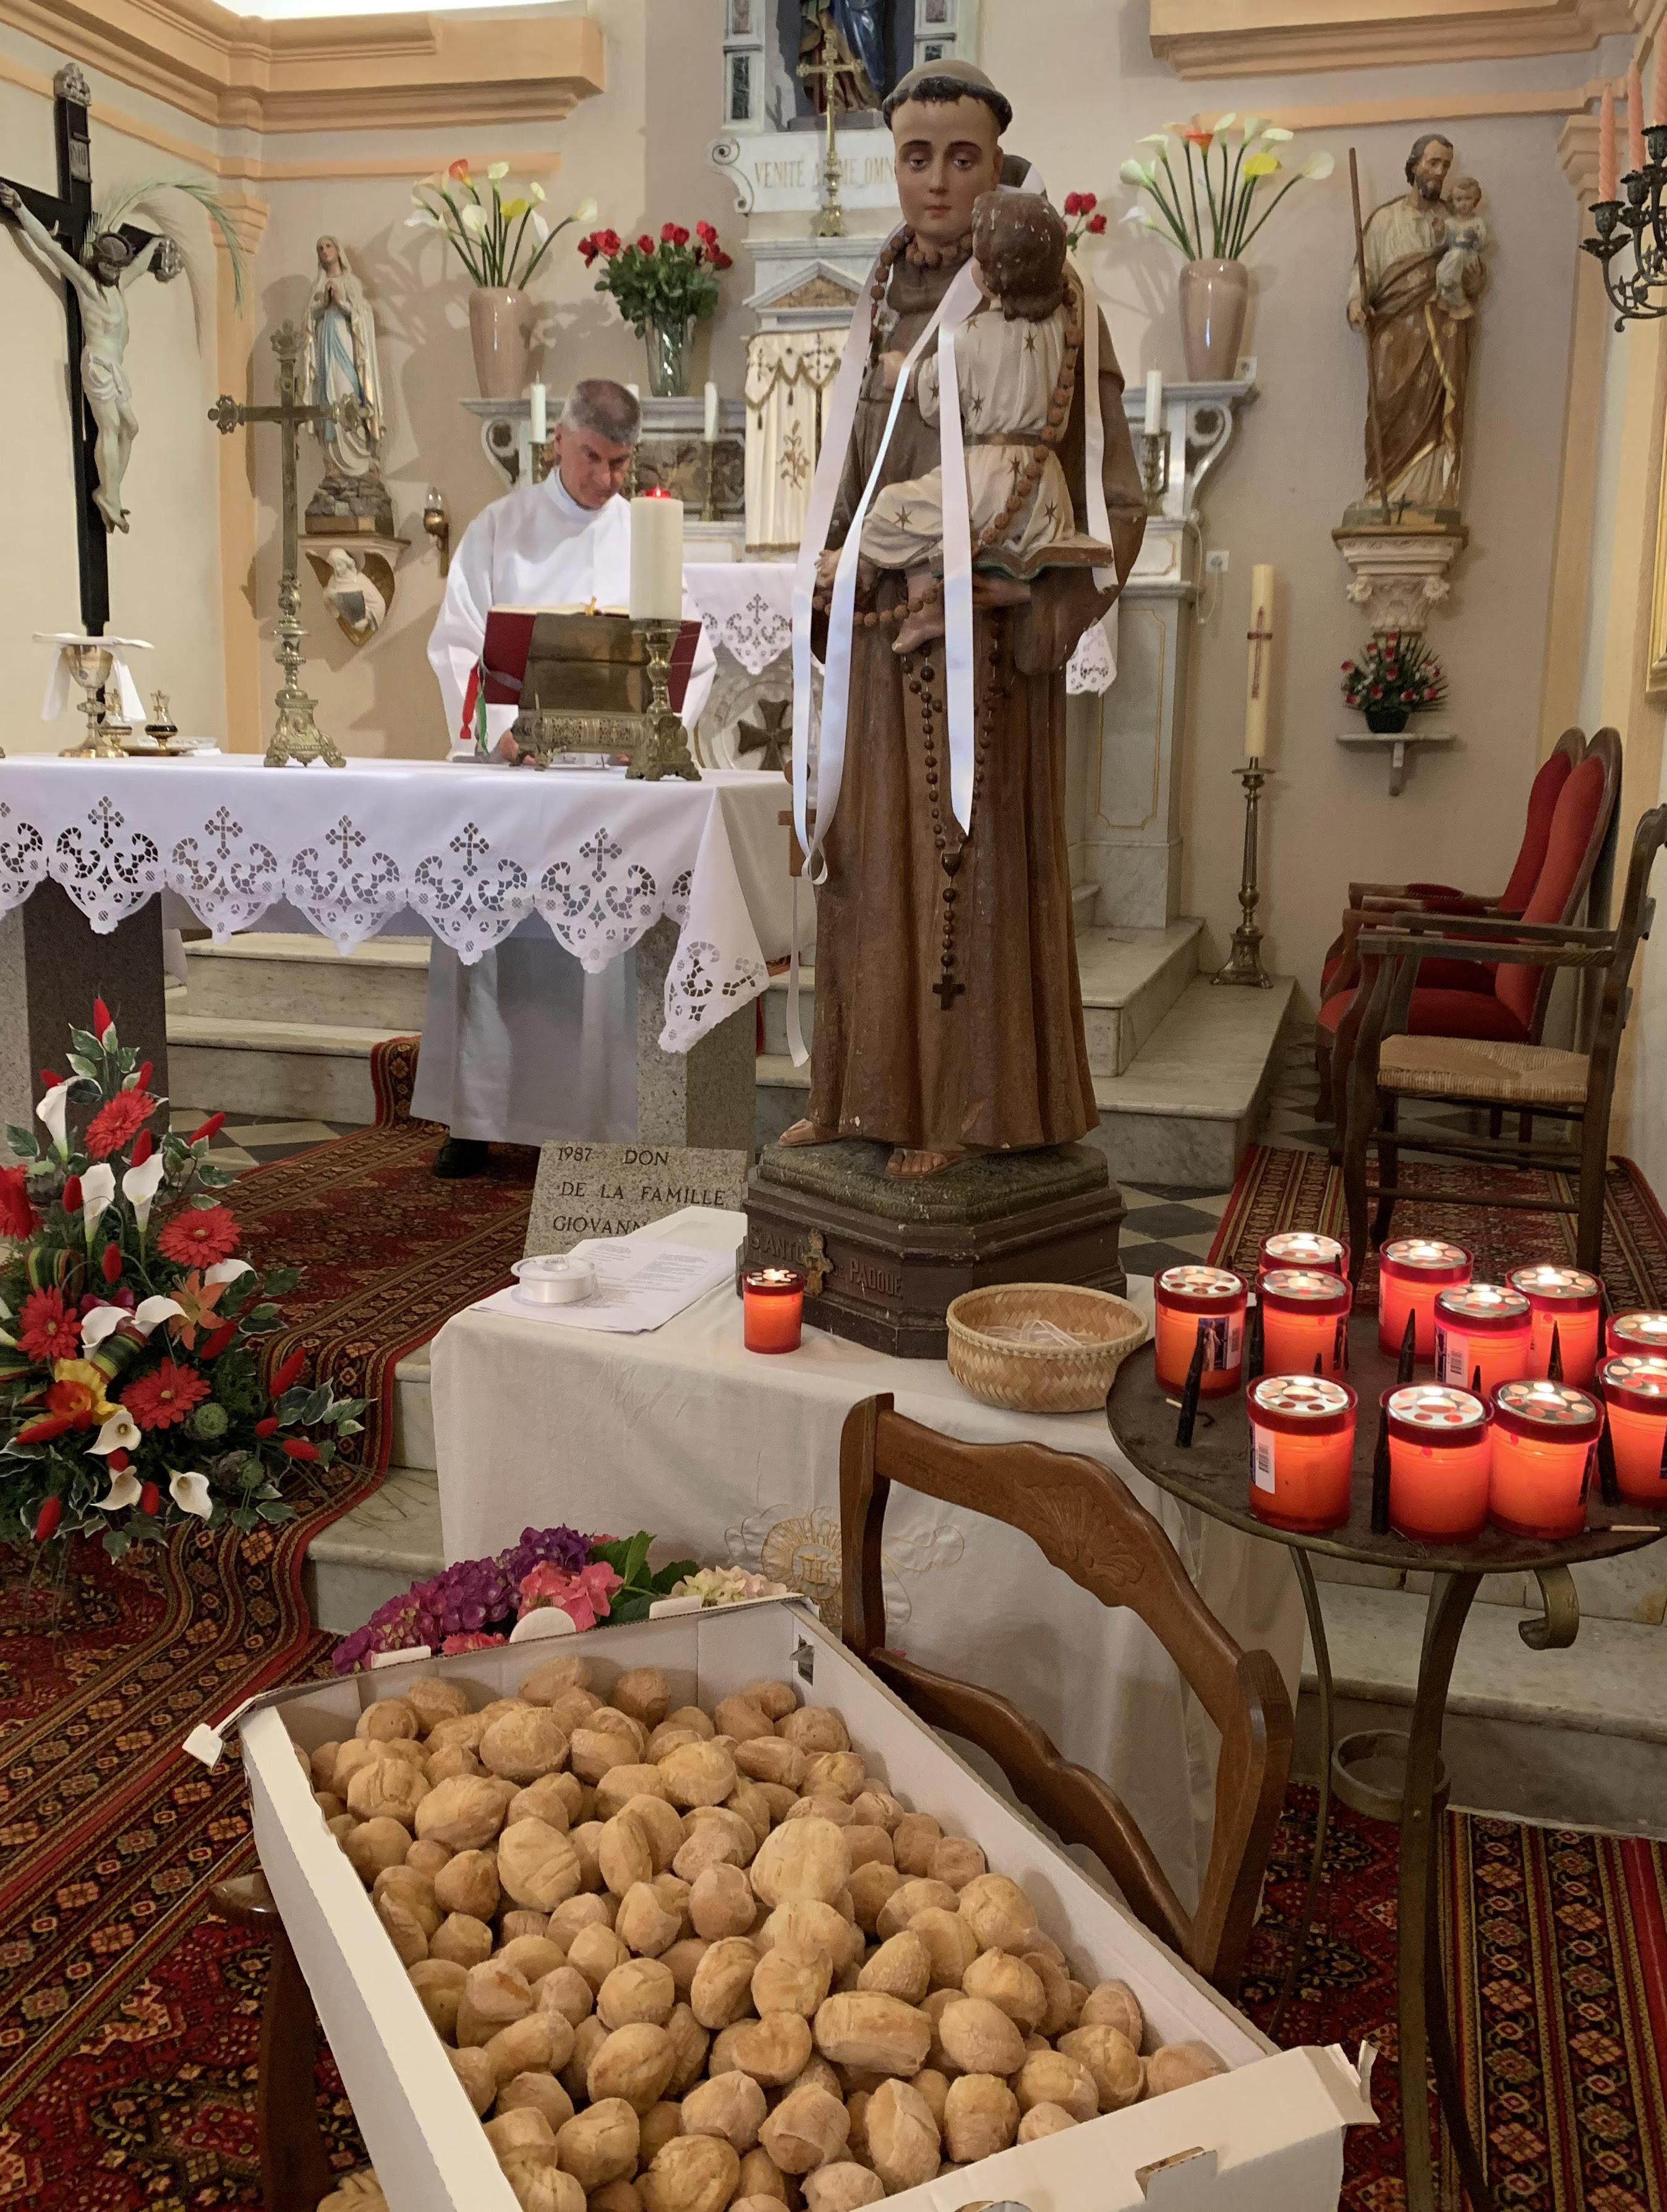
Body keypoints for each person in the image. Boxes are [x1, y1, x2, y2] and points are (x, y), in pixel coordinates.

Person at [781, 58, 1146, 1179]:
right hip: (879, 638)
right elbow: (852, 471)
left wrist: (1034, 596)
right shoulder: (874, 293)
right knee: (864, 870)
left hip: (985, 650)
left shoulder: (1045, 296)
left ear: (997, 166)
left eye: (962, 155)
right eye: (915, 155)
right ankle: (856, 1096)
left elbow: (1113, 492)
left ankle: (961, 1109)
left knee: (963, 875)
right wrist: (825, 581)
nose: (936, 179)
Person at [419, 378, 716, 1176]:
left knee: (598, 953)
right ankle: (475, 1116)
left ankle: (598, 1119)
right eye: (593, 458)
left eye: (621, 463)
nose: (608, 479)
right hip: (520, 775)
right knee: (493, 936)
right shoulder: (500, 530)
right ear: (559, 439)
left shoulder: (643, 533)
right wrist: (501, 731)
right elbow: (456, 646)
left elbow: (695, 651)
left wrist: (657, 730)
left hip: (608, 785)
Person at [835, 190, 1112, 655]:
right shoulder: (1060, 328)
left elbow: (935, 397)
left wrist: (897, 373)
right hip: (1044, 489)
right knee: (928, 518)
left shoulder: (972, 334)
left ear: (992, 272)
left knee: (894, 509)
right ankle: (926, 605)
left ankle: (908, 599)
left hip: (989, 479)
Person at [1345, 133, 1486, 517]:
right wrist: (1356, 302)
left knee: (1435, 411)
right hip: (1394, 337)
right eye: (1432, 162)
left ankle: (1427, 495)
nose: (1438, 172)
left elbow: (1474, 282)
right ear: (1414, 165)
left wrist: (1470, 270)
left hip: (1442, 329)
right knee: (1388, 407)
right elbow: (1364, 273)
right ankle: (1382, 490)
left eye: (1445, 165)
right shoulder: (1384, 220)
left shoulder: (1454, 220)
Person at [1435, 177, 1488, 320]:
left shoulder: (1477, 222)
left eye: (1468, 199)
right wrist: (1440, 232)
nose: (1463, 204)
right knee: (1447, 266)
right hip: (1454, 257)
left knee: (1456, 259)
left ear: (1476, 200)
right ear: (1453, 201)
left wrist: (1475, 237)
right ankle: (1448, 296)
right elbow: (1443, 243)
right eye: (1459, 200)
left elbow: (1482, 244)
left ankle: (1458, 301)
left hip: (1468, 258)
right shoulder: (1450, 222)